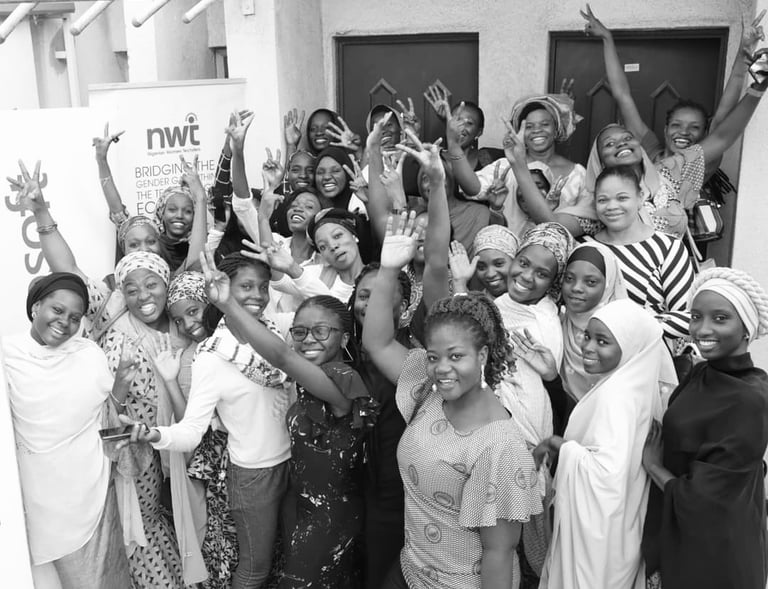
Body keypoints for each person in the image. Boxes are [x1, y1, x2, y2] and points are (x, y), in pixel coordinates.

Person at [363, 214, 542, 589]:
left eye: (456, 356)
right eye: (433, 356)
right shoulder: (428, 391)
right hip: (408, 571)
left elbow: (499, 553)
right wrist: (388, 270)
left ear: (483, 355)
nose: (441, 368)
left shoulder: (499, 445)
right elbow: (377, 343)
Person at [201, 252, 376, 588]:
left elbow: (280, 355)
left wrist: (229, 306)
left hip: (330, 518)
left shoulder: (342, 379)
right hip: (301, 505)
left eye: (321, 331)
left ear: (343, 337)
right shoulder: (309, 378)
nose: (309, 338)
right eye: (300, 331)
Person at [122, 253, 293, 589]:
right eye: (246, 286)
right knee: (255, 568)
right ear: (223, 290)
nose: (257, 295)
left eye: (262, 287)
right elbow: (191, 432)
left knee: (286, 558)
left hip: (293, 463)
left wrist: (292, 269)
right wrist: (152, 434)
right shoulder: (212, 355)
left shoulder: (276, 331)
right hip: (253, 476)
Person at [534, 299, 677, 589]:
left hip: (599, 539)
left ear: (632, 346)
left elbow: (606, 475)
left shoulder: (618, 396)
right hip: (620, 529)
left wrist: (559, 444)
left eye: (603, 341)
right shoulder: (633, 387)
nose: (588, 347)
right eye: (588, 336)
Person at [2, 273, 131, 589]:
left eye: (75, 318)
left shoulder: (87, 354)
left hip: (91, 492)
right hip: (34, 498)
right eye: (57, 310)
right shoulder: (7, 355)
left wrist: (121, 387)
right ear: (36, 307)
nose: (64, 323)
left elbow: (106, 415)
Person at [641, 267, 768, 589]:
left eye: (720, 318)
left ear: (746, 330)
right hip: (684, 537)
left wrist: (653, 465)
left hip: (715, 556)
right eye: (696, 316)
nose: (702, 328)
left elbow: (708, 500)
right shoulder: (702, 375)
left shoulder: (749, 397)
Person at [348, 263, 413, 588]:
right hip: (349, 493)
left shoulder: (411, 359)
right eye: (364, 296)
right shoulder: (343, 352)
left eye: (382, 297)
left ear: (403, 308)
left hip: (395, 499)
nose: (370, 306)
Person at [583, 166, 695, 341]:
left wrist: (623, 329)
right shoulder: (584, 248)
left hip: (648, 357)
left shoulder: (667, 247)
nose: (612, 206)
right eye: (603, 200)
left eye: (622, 198)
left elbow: (688, 317)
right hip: (587, 357)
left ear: (640, 197)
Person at [452, 94, 585, 236]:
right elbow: (472, 188)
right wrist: (453, 143)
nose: (537, 130)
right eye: (528, 126)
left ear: (557, 129)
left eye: (545, 124)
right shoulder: (505, 166)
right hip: (507, 252)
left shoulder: (577, 173)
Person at [492, 222, 573, 447]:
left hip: (523, 439)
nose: (527, 276)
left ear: (552, 283)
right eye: (523, 263)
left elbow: (535, 398)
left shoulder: (544, 323)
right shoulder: (499, 306)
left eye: (542, 274)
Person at [559, 242, 628, 402]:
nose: (576, 288)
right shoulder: (558, 322)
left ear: (608, 285)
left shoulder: (624, 330)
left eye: (590, 282)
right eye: (569, 278)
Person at [260, 208, 365, 305]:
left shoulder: (377, 275)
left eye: (337, 236)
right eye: (323, 246)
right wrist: (263, 219)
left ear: (354, 236)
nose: (333, 246)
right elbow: (281, 282)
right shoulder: (317, 273)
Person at [449, 225, 520, 298]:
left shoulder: (530, 304)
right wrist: (460, 282)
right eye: (481, 267)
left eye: (498, 264)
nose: (490, 274)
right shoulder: (477, 304)